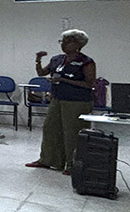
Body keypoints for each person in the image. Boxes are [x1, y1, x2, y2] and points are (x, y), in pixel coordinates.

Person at [26, 29, 97, 175]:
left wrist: (63, 80)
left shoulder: (86, 62)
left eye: (67, 42)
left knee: (72, 132)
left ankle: (72, 164)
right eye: (62, 41)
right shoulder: (57, 59)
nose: (63, 44)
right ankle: (48, 160)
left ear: (78, 44)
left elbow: (90, 84)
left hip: (77, 102)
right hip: (57, 99)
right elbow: (41, 73)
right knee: (50, 129)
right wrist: (38, 59)